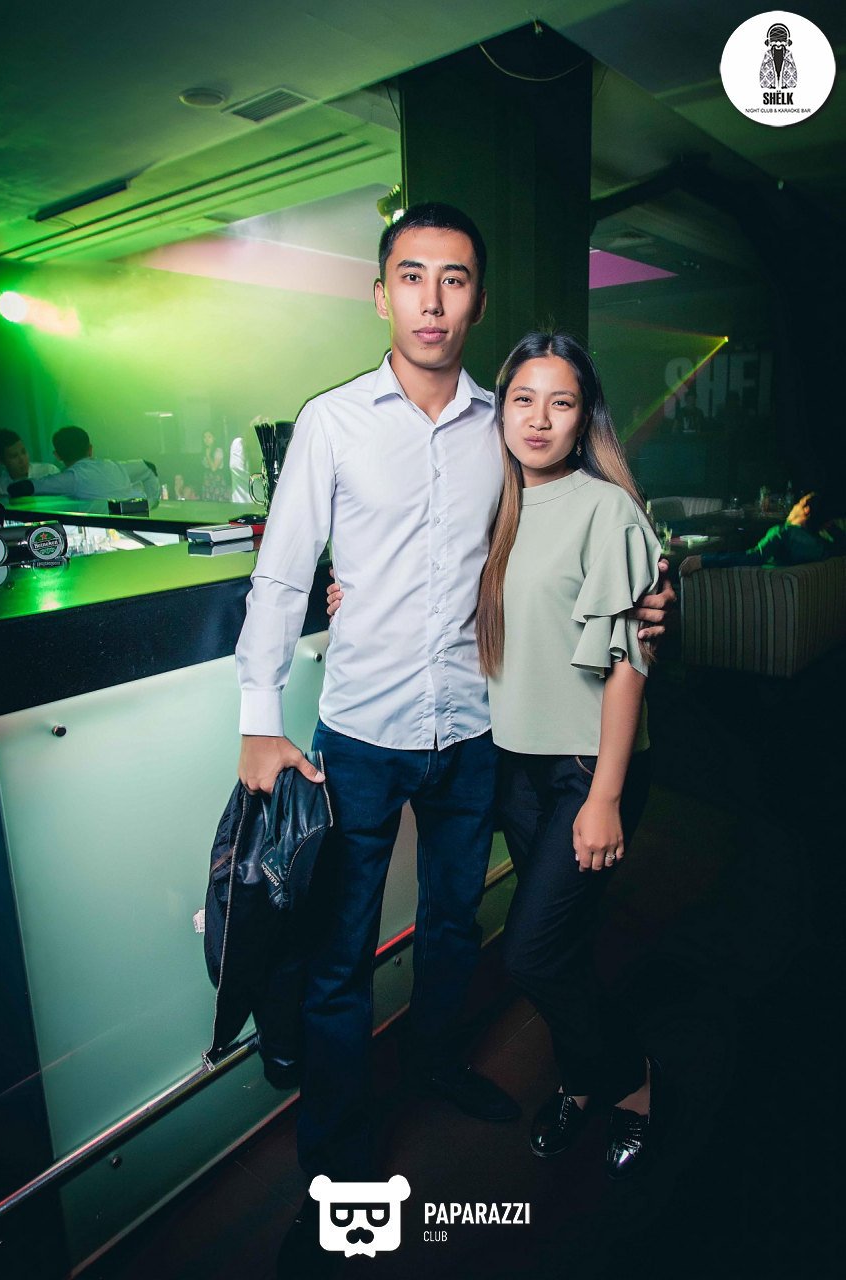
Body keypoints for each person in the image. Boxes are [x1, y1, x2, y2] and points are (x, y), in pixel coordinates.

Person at [235, 203, 673, 1269]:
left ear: (476, 300)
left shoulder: (503, 424)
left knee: (449, 926)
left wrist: (652, 598)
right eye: (411, 276)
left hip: (476, 730)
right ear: (380, 293)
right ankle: (337, 1171)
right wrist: (257, 718)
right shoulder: (333, 422)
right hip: (363, 730)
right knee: (339, 960)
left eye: (456, 279)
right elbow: (283, 575)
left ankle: (434, 1060)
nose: (432, 300)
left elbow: (571, 531)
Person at [474, 331, 662, 1180]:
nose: (538, 419)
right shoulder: (496, 508)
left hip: (588, 767)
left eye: (561, 402)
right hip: (515, 765)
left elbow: (627, 666)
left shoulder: (605, 508)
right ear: (502, 410)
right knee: (563, 947)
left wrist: (605, 796)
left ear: (585, 418)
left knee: (529, 953)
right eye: (523, 399)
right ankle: (583, 1081)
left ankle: (629, 1081)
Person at [680, 490, 845, 576]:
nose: (794, 506)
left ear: (805, 509)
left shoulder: (783, 533)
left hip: (764, 585)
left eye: (798, 503)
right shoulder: (822, 545)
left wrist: (703, 560)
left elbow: (753, 558)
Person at [6, 426, 160, 505]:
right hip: (141, 522)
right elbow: (149, 466)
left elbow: (26, 487)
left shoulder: (72, 478)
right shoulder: (115, 466)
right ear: (90, 449)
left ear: (58, 456)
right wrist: (152, 502)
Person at [0, 429, 58, 493]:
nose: (22, 459)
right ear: (0, 460)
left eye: (23, 452)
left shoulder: (49, 471)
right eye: (14, 456)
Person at [201, 430, 229, 501]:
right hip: (207, 480)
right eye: (205, 437)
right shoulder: (205, 451)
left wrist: (208, 456)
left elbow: (214, 468)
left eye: (209, 437)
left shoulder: (218, 450)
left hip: (217, 480)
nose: (207, 439)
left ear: (214, 438)